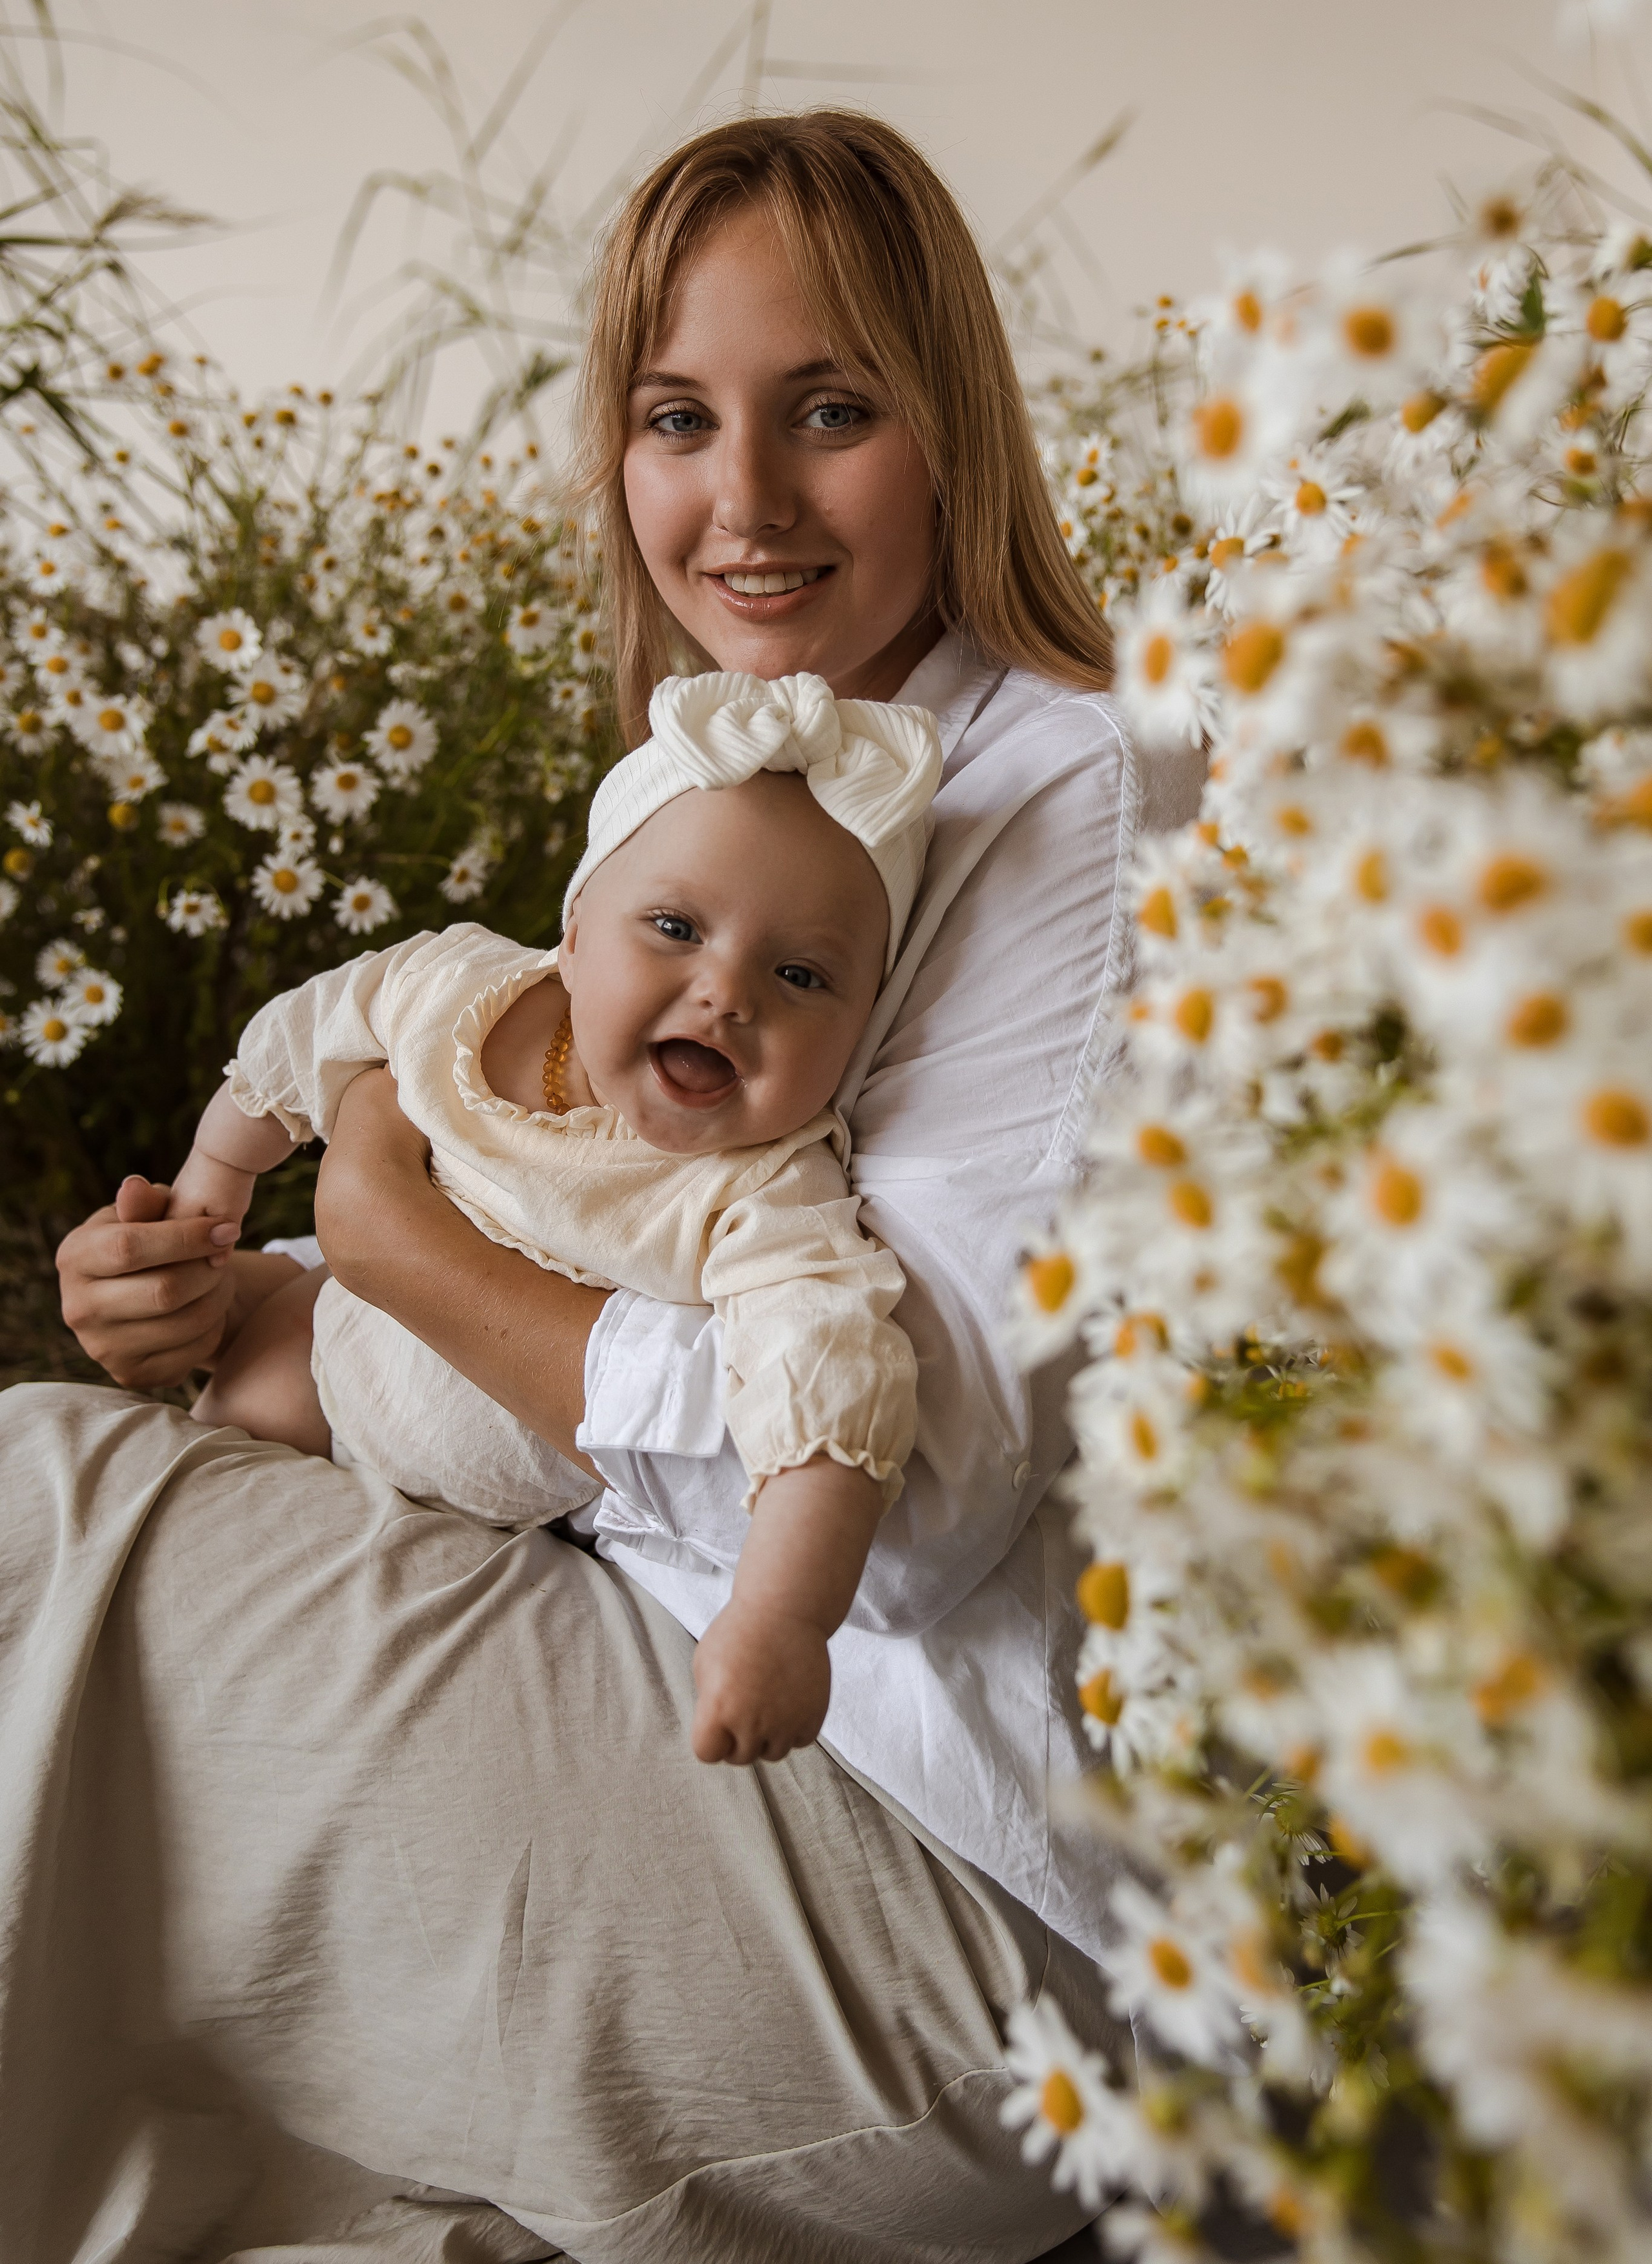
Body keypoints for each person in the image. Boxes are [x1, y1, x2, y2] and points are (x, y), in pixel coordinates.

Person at [32, 111, 1201, 2260]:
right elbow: (601, 1219)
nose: (739, 503)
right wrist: (258, 1287)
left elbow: (910, 1520)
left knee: (35, 1536)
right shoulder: (736, 770)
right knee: (62, 1493)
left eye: (830, 412)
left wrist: (382, 1257)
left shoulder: (1070, 799)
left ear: (955, 431)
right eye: (679, 419)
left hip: (949, 1877)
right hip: (660, 1641)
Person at [169, 671, 942, 1766]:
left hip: (500, 1523)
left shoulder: (763, 1194)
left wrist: (783, 1617)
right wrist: (211, 1192)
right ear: (575, 933)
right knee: (209, 1515)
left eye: (804, 974)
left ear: (863, 1032)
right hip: (325, 1364)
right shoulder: (458, 995)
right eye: (674, 926)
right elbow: (307, 1035)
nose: (728, 993)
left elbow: (827, 1383)